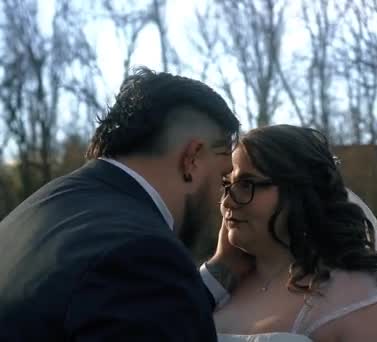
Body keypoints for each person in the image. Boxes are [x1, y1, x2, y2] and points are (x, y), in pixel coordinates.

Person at [0, 67, 252, 341]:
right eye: (223, 177)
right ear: (192, 158)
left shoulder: (42, 206)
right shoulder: (143, 254)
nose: (223, 197)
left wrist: (221, 273)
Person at [210, 125, 377, 342]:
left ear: (300, 191)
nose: (227, 202)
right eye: (226, 186)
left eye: (246, 184)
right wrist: (219, 268)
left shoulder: (363, 298)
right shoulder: (222, 286)